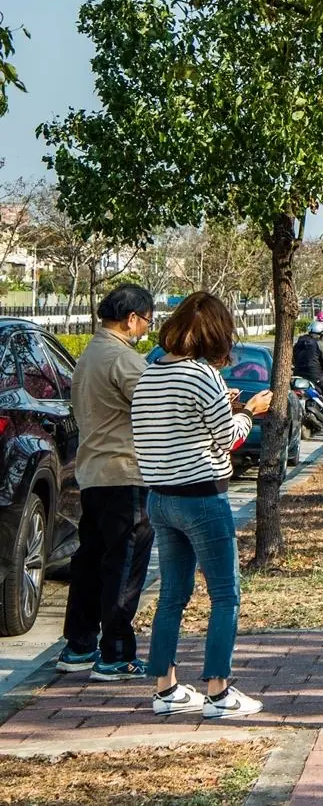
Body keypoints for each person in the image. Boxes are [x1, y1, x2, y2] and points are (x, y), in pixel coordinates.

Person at [133, 291, 272, 719]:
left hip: (160, 497)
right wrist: (249, 410)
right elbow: (228, 438)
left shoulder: (150, 373)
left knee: (172, 593)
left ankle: (165, 688)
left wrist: (220, 406)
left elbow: (173, 428)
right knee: (226, 594)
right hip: (201, 498)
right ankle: (218, 690)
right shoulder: (202, 375)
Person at [55, 284, 157, 681]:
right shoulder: (122, 358)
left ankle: (78, 643)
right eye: (147, 320)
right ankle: (115, 652)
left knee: (91, 561)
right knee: (125, 562)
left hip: (93, 473)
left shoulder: (90, 354)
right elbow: (153, 405)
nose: (146, 328)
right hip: (125, 471)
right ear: (131, 318)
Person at [293, 320, 323, 394]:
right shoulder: (321, 344)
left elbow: (293, 359)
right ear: (322, 333)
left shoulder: (299, 343)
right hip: (316, 377)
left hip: (298, 377)